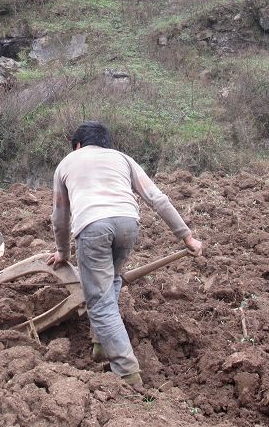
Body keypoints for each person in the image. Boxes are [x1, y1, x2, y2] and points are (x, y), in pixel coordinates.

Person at [47, 121, 203, 388]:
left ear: (78, 145)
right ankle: (100, 345)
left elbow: (60, 216)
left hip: (93, 226)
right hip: (128, 223)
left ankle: (127, 372)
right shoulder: (122, 159)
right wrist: (186, 236)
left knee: (99, 303)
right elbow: (157, 198)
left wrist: (63, 252)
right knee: (113, 279)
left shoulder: (66, 164)